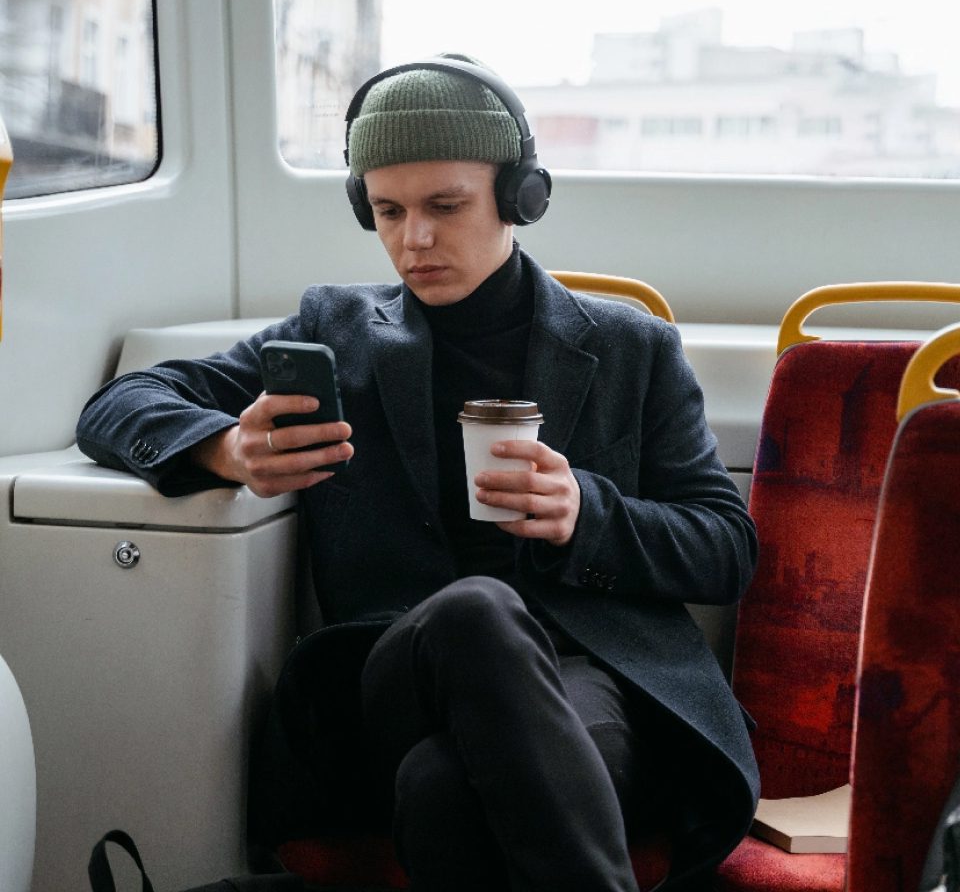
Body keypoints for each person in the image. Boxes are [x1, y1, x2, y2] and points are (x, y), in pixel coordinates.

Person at [76, 55, 760, 892]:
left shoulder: (630, 348)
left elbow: (725, 549)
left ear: (520, 198)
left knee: (442, 792)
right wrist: (224, 449)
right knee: (476, 609)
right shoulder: (335, 331)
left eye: (445, 206)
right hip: (392, 677)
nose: (415, 239)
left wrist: (587, 512)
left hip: (584, 679)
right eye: (388, 211)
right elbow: (121, 404)